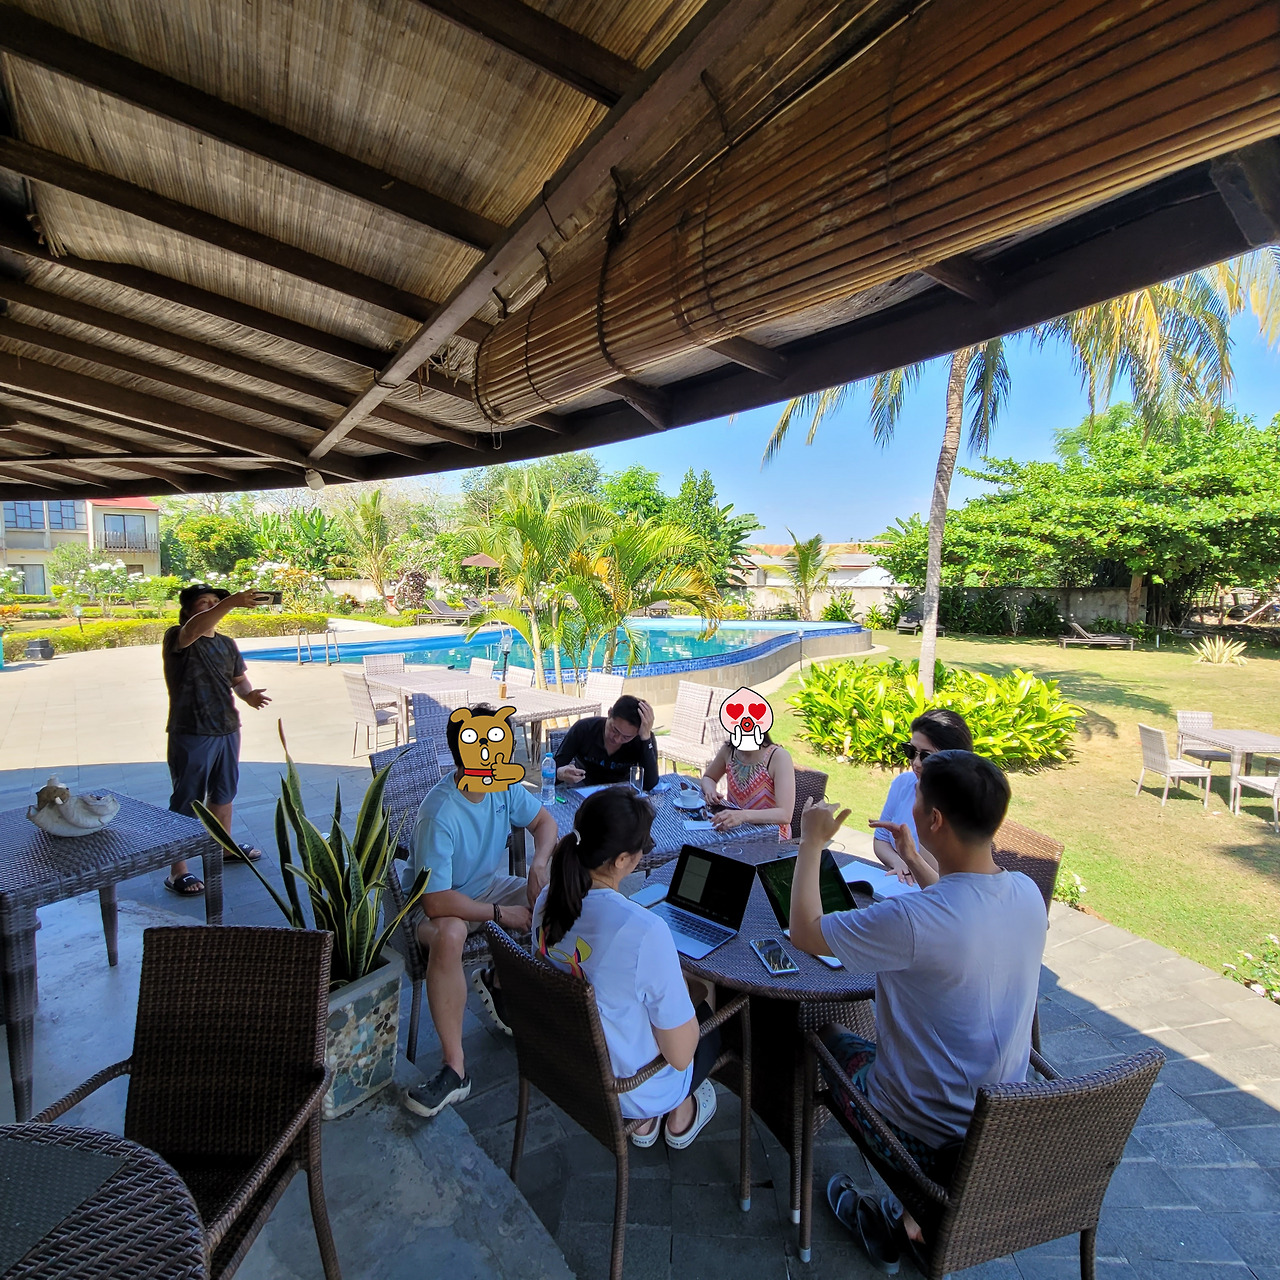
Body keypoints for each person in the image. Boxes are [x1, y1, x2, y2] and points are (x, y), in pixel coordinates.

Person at [789, 753, 1046, 1266]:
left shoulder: (911, 919)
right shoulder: (1026, 892)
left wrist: (811, 842)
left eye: (918, 799)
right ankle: (915, 1222)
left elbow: (805, 932)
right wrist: (913, 856)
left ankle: (913, 1199)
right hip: (999, 1127)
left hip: (922, 1134)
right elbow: (960, 907)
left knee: (824, 1032)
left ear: (936, 820)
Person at [533, 787, 720, 1148]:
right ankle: (678, 1112)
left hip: (570, 1063)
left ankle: (647, 1125)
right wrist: (685, 990)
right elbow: (681, 1057)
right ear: (621, 860)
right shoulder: (644, 931)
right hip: (629, 1089)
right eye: (643, 847)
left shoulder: (547, 901)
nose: (643, 853)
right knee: (705, 1011)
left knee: (642, 996)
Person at [403, 703, 558, 1119]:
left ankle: (499, 982)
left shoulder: (503, 786)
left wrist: (539, 864)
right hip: (433, 907)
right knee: (452, 934)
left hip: (485, 887)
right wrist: (500, 914)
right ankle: (455, 1069)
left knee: (556, 901)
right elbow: (435, 901)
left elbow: (545, 823)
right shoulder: (440, 814)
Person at [162, 583, 272, 896]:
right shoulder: (178, 636)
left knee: (224, 793)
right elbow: (195, 629)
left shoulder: (226, 643)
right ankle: (177, 870)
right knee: (187, 799)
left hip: (227, 727)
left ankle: (222, 847)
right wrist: (231, 602)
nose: (211, 606)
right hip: (191, 731)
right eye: (204, 603)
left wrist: (249, 695)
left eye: (215, 601)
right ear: (187, 610)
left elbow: (238, 679)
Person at [872, 708, 972, 880]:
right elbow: (881, 839)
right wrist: (899, 863)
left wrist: (912, 861)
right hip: (898, 883)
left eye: (926, 756)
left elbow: (948, 880)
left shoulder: (965, 805)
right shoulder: (903, 783)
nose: (916, 763)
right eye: (911, 751)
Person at [699, 726, 796, 837]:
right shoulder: (729, 750)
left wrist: (743, 816)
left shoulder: (778, 757)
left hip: (771, 836)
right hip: (734, 830)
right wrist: (710, 790)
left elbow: (785, 814)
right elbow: (709, 777)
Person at [553, 695, 659, 790]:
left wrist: (646, 739)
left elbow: (649, 784)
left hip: (620, 793)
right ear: (609, 713)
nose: (617, 739)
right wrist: (560, 774)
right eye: (614, 730)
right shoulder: (584, 729)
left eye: (626, 737)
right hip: (584, 788)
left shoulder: (642, 738)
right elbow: (552, 771)